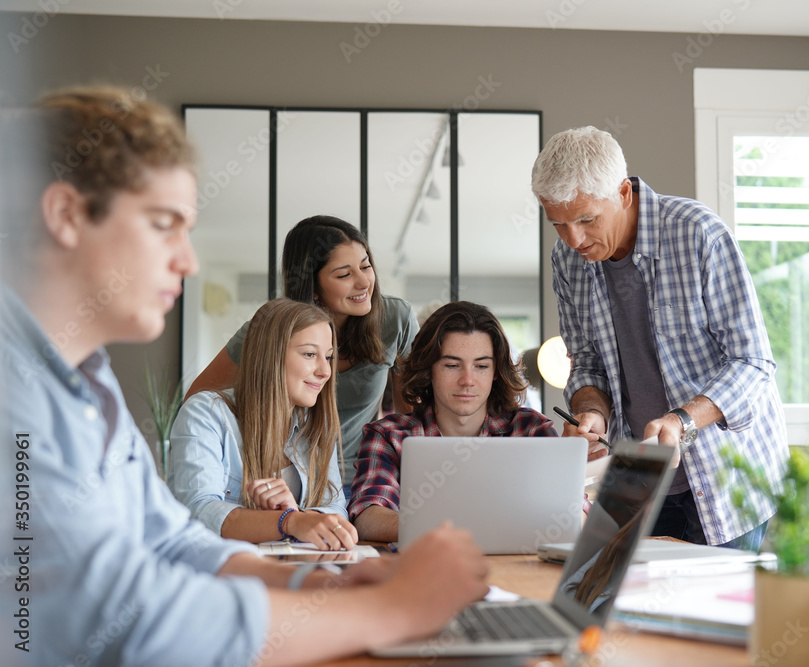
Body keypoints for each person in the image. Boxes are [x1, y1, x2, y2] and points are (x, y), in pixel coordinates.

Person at [0, 86, 486, 667]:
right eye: (164, 224)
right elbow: (125, 618)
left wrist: (318, 586)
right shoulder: (15, 392)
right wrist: (393, 609)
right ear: (67, 215)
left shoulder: (89, 382)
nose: (189, 261)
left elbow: (169, 539)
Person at [532, 126, 789, 550]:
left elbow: (753, 362)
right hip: (638, 474)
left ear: (624, 194)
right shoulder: (569, 260)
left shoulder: (697, 233)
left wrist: (681, 421)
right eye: (558, 223)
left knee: (708, 611)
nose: (573, 239)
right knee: (626, 607)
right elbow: (586, 361)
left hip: (725, 473)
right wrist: (590, 414)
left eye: (586, 219)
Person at [187, 215, 419, 495]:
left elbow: (410, 417)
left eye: (366, 266)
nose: (363, 283)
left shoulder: (396, 320)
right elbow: (198, 402)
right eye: (344, 274)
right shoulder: (268, 331)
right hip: (290, 480)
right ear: (313, 287)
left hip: (364, 479)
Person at [349, 301, 558, 542]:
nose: (467, 380)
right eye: (452, 365)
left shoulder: (531, 429)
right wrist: (471, 529)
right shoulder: (389, 435)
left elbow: (575, 512)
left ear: (496, 372)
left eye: (481, 366)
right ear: (428, 370)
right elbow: (367, 516)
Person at [169, 298, 358, 550]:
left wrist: (296, 513)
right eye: (310, 354)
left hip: (293, 568)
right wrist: (287, 521)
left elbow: (335, 509)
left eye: (329, 357)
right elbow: (198, 511)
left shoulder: (316, 426)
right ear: (271, 355)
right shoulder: (205, 413)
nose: (326, 371)